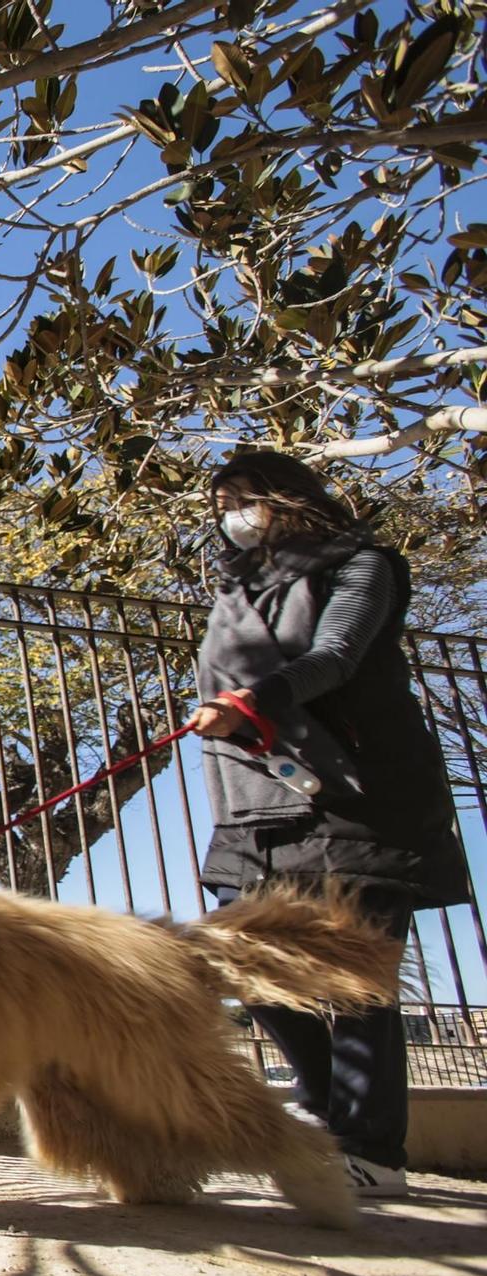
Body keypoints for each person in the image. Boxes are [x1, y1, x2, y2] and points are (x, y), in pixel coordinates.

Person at [189, 450, 468, 1198]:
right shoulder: (234, 589)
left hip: (358, 794)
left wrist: (256, 701)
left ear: (287, 497)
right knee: (245, 965)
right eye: (223, 503)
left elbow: (337, 654)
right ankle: (319, 1114)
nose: (232, 515)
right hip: (257, 804)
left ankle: (371, 1148)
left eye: (244, 498)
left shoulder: (363, 565)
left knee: (353, 979)